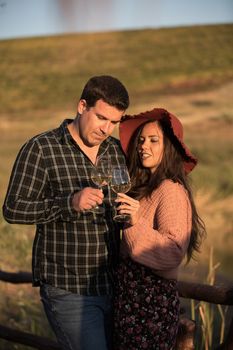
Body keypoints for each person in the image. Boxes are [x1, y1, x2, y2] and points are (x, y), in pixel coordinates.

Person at [3, 75, 129, 350]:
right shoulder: (41, 148)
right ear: (82, 106)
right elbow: (13, 209)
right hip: (68, 287)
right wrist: (68, 203)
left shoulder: (116, 151)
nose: (107, 129)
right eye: (101, 118)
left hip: (114, 285)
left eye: (114, 122)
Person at [113, 108, 206, 349]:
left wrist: (135, 221)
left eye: (154, 140)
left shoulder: (171, 191)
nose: (144, 146)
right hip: (132, 303)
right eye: (141, 140)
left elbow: (173, 251)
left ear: (169, 148)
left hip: (150, 306)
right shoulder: (146, 187)